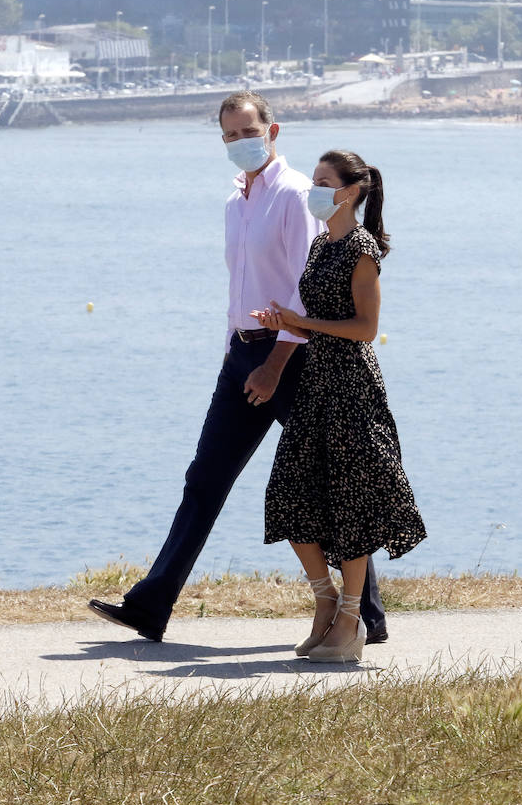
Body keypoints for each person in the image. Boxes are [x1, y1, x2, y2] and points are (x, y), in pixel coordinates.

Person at [88, 91, 389, 644]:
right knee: (204, 479)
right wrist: (234, 350)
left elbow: (311, 291)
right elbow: (242, 284)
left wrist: (275, 362)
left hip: (293, 358)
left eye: (247, 133)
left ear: (272, 132)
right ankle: (150, 607)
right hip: (242, 356)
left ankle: (366, 617)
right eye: (228, 136)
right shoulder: (235, 202)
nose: (238, 144)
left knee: (329, 482)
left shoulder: (299, 196)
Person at [252, 149, 426, 663]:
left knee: (351, 502)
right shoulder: (319, 246)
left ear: (348, 192)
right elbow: (313, 313)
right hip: (315, 384)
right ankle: (325, 600)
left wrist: (302, 324)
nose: (314, 189)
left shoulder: (362, 249)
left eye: (324, 182)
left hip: (351, 386)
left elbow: (365, 330)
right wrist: (282, 321)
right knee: (289, 494)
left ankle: (350, 621)